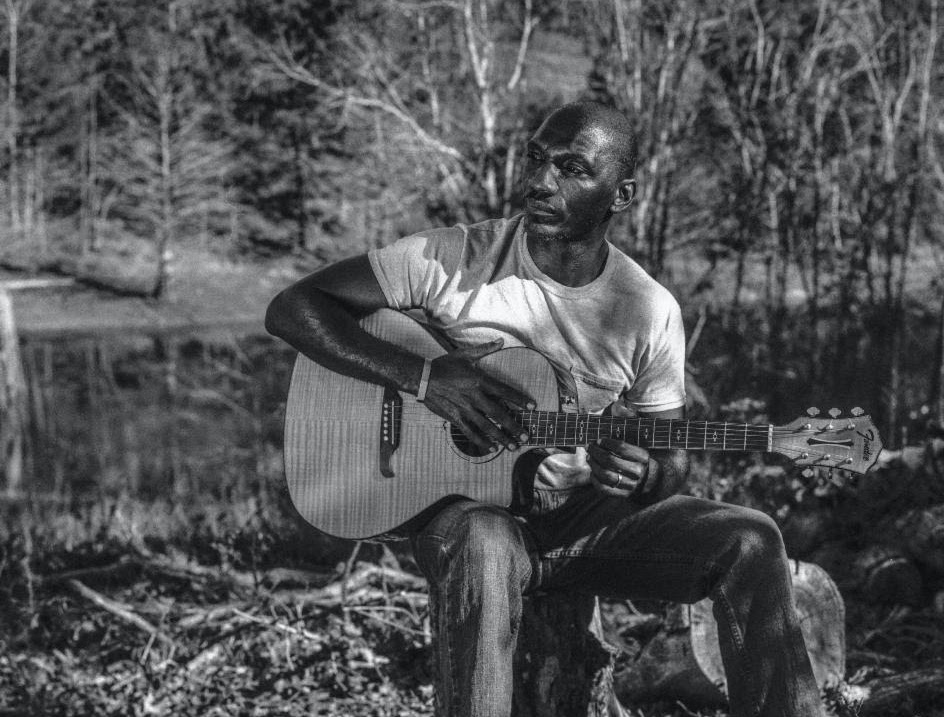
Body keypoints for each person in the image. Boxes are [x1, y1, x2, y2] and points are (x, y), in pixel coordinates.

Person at [264, 100, 825, 717]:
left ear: (622, 194)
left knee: (751, 539)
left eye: (571, 168)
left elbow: (670, 458)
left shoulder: (648, 308)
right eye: (536, 158)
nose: (539, 181)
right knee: (483, 542)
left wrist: (647, 476)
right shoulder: (454, 259)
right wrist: (422, 377)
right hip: (466, 518)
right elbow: (294, 307)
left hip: (581, 525)